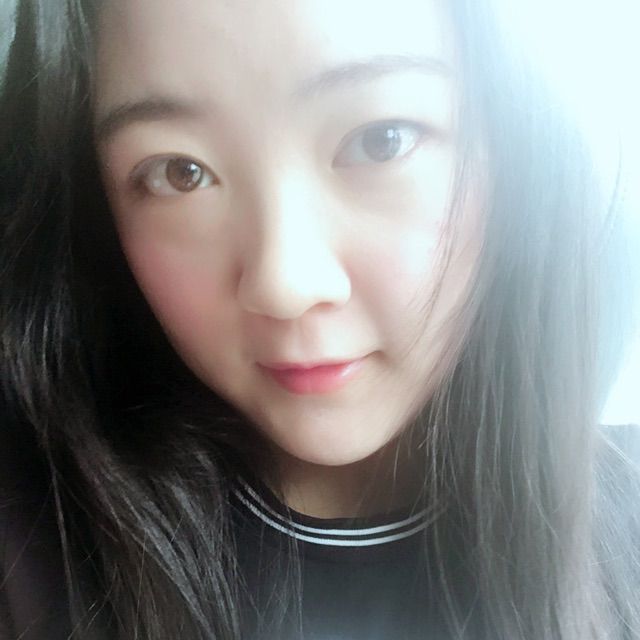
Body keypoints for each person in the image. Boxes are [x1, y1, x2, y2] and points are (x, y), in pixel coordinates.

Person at [1, 0, 639, 638]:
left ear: (521, 152)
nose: (285, 285)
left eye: (381, 140)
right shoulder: (32, 545)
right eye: (180, 173)